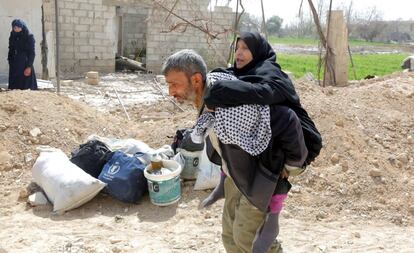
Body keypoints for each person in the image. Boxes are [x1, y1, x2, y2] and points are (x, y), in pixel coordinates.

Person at [162, 49, 308, 253]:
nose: (171, 92)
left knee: (251, 240)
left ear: (196, 80)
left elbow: (285, 118)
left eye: (174, 84)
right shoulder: (206, 96)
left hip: (259, 177)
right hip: (234, 177)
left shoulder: (230, 98)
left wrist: (292, 165)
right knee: (230, 237)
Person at [7, 19, 38, 90]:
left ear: (22, 27)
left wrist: (29, 66)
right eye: (15, 27)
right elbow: (11, 48)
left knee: (26, 86)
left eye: (18, 27)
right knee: (14, 87)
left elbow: (32, 52)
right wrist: (10, 60)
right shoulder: (13, 35)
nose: (17, 29)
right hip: (14, 63)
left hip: (25, 63)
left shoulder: (29, 36)